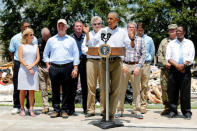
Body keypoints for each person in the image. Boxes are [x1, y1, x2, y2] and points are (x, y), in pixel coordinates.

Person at [84, 12, 135, 121]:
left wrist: (132, 39)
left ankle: (111, 114)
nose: (109, 21)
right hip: (103, 62)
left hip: (116, 62)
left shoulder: (122, 32)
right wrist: (87, 34)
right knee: (104, 89)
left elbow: (130, 48)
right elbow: (91, 43)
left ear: (117, 20)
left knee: (115, 89)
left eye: (111, 19)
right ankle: (104, 114)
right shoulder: (103, 31)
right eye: (108, 18)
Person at [43, 19, 79, 119]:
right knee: (54, 90)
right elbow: (45, 54)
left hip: (67, 67)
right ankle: (56, 110)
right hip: (54, 67)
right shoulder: (51, 40)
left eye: (63, 25)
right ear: (57, 27)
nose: (61, 27)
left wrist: (75, 68)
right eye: (59, 25)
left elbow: (76, 54)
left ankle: (64, 110)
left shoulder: (71, 40)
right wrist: (47, 65)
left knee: (67, 90)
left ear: (66, 27)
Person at [116, 22, 146, 119]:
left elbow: (143, 55)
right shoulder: (122, 40)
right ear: (127, 29)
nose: (131, 29)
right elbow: (119, 53)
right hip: (124, 66)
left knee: (137, 90)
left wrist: (138, 67)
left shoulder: (141, 40)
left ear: (136, 29)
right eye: (130, 27)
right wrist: (122, 65)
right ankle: (119, 110)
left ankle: (137, 110)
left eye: (133, 27)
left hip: (136, 66)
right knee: (121, 89)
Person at [9, 21, 38, 115]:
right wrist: (15, 62)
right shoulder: (15, 38)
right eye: (25, 26)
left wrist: (32, 66)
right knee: (19, 86)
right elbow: (11, 51)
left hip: (32, 65)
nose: (27, 28)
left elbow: (36, 55)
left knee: (31, 89)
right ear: (21, 27)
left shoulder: (35, 40)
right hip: (19, 63)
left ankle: (30, 107)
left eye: (29, 26)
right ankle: (17, 106)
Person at [166, 25, 195, 120]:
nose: (178, 32)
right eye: (176, 31)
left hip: (185, 70)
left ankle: (186, 112)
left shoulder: (189, 43)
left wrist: (183, 65)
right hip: (174, 70)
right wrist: (177, 66)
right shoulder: (171, 43)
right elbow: (168, 57)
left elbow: (191, 57)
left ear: (184, 32)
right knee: (172, 91)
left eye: (180, 31)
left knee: (185, 92)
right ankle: (173, 111)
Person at [81, 16, 104, 117]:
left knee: (104, 86)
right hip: (91, 61)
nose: (97, 26)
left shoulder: (105, 33)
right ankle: (90, 109)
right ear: (92, 25)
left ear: (101, 24)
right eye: (94, 24)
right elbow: (83, 48)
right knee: (91, 86)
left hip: (102, 61)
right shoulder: (88, 34)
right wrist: (91, 51)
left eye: (98, 24)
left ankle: (104, 110)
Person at [18, 28, 40, 117]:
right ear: (26, 36)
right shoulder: (21, 46)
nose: (32, 36)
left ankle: (31, 109)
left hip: (33, 70)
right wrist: (28, 67)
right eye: (31, 34)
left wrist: (32, 66)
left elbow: (38, 58)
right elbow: (20, 58)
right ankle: (22, 108)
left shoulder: (36, 46)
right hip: (23, 70)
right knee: (22, 90)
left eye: (33, 34)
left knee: (31, 91)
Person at [157, 24, 177, 115]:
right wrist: (165, 63)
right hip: (165, 69)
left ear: (176, 31)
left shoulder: (180, 41)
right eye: (170, 30)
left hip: (177, 69)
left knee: (176, 89)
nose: (171, 31)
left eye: (173, 30)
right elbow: (159, 54)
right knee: (165, 88)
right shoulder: (164, 41)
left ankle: (175, 108)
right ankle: (167, 107)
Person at [136, 22, 155, 114]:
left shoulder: (149, 39)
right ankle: (135, 106)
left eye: (141, 30)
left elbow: (152, 52)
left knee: (144, 85)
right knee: (136, 86)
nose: (140, 32)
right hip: (136, 65)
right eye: (138, 30)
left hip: (146, 65)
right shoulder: (133, 39)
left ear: (144, 30)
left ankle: (143, 105)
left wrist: (148, 61)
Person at [72, 21, 88, 114]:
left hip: (84, 62)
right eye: (77, 26)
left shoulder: (86, 37)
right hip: (74, 63)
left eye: (80, 26)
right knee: (72, 86)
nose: (78, 28)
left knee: (85, 86)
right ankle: (71, 108)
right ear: (74, 28)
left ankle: (86, 108)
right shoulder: (70, 38)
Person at [38, 27, 51, 114]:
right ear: (42, 35)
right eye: (44, 36)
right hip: (41, 67)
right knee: (43, 88)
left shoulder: (53, 41)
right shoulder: (38, 41)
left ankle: (56, 105)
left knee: (54, 87)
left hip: (51, 67)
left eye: (47, 36)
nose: (46, 38)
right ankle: (45, 106)